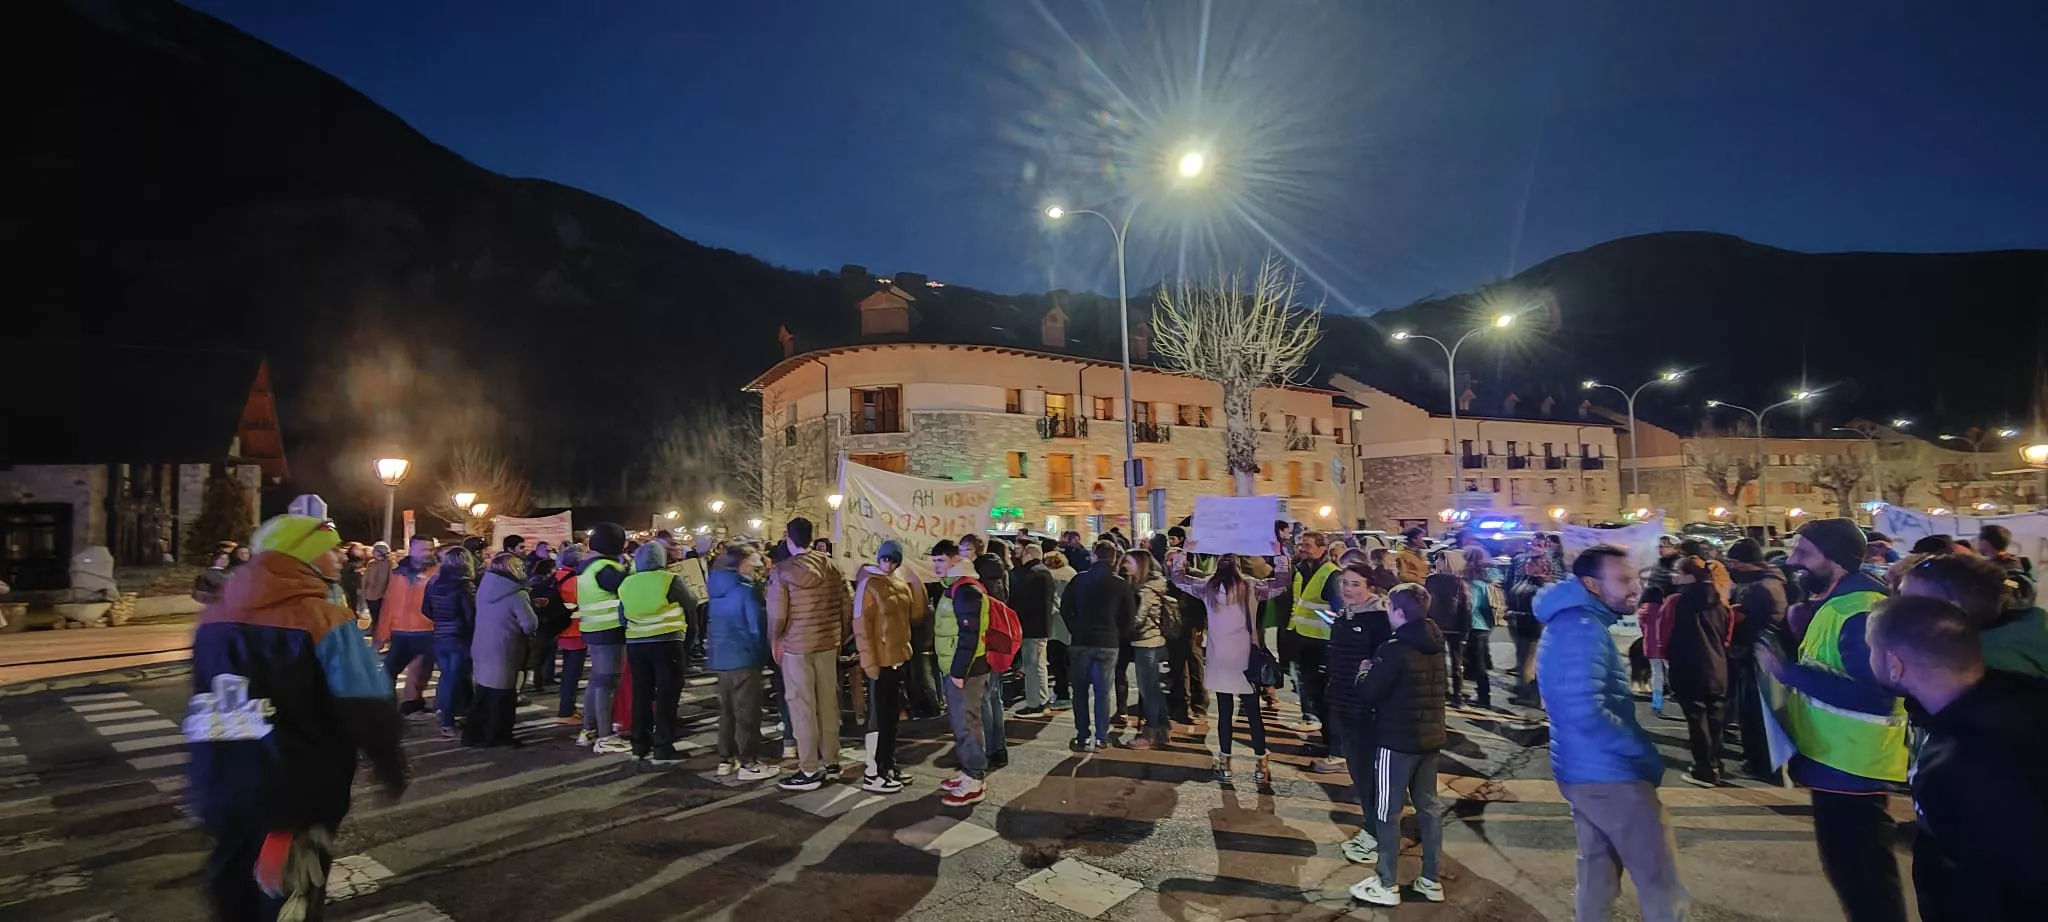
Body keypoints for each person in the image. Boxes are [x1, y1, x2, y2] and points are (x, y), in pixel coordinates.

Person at [188, 515, 407, 920]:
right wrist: (388, 761)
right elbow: (365, 702)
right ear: (301, 556)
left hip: (220, 778)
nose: (340, 557)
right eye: (330, 549)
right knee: (291, 894)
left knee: (233, 884)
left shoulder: (214, 616)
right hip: (297, 785)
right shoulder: (323, 619)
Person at [1756, 517, 1907, 922]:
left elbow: (1878, 697)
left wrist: (1787, 673)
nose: (1792, 562)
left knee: (1866, 885)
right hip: (1836, 764)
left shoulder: (1859, 612)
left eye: (1804, 553)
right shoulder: (1840, 604)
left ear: (1836, 559)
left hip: (1853, 770)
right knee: (1855, 880)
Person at [1863, 594, 2048, 922]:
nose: (1868, 658)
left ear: (1895, 664)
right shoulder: (2020, 700)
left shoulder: (1962, 762)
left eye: (1870, 649)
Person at [1536, 545, 1687, 921]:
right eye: (1622, 579)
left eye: (1635, 577)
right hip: (1610, 775)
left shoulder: (1575, 622)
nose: (1635, 587)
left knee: (1598, 871)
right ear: (1591, 584)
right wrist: (1643, 756)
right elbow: (1586, 710)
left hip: (1585, 770)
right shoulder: (1581, 629)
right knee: (1661, 885)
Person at [1346, 583, 1448, 907]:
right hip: (1429, 740)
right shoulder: (1435, 643)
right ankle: (1431, 879)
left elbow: (1369, 693)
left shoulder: (1393, 649)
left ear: (1399, 613)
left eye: (1390, 607)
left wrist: (1363, 672)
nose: (1387, 613)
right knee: (1429, 809)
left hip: (1396, 741)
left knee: (1387, 812)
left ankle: (1386, 882)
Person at [1169, 545, 1290, 783]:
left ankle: (1225, 763)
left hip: (1219, 658)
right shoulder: (1252, 587)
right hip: (1245, 659)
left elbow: (1178, 578)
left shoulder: (1207, 588)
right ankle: (1261, 765)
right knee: (1253, 713)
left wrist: (1184, 552)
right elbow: (1282, 583)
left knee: (1225, 712)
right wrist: (1280, 555)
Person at [767, 517, 854, 792]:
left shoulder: (781, 572)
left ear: (788, 538)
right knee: (828, 702)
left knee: (802, 707)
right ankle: (831, 760)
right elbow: (847, 605)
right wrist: (840, 635)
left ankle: (808, 769)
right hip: (828, 643)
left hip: (796, 646)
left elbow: (777, 614)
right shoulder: (832, 566)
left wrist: (776, 639)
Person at [1326, 564, 1392, 856]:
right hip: (1343, 703)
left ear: (1370, 587)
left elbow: (1381, 666)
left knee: (1367, 774)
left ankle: (1377, 834)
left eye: (1355, 584)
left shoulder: (1377, 620)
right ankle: (1374, 826)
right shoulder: (1345, 614)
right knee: (1357, 770)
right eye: (1345, 583)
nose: (1348, 589)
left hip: (1364, 708)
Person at [1897, 551, 2048, 677]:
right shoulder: (2023, 636)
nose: (1897, 610)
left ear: (1951, 612)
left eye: (1909, 603)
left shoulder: (1977, 672)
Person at [853, 540, 924, 792]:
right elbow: (861, 625)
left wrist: (916, 581)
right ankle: (874, 772)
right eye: (884, 559)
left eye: (892, 560)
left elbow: (916, 615)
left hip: (897, 658)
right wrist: (869, 662)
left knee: (891, 719)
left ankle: (887, 764)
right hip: (880, 662)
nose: (887, 564)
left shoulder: (899, 582)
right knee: (878, 719)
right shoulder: (869, 584)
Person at [706, 546, 777, 782]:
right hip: (744, 656)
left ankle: (725, 759)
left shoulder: (717, 589)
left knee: (727, 712)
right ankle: (749, 762)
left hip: (721, 657)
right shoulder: (745, 592)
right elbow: (757, 628)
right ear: (742, 563)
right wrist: (762, 655)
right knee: (747, 712)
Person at [622, 540, 696, 763]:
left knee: (641, 694)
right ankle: (663, 748)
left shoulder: (627, 583)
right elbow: (691, 602)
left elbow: (621, 615)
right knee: (667, 696)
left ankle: (639, 745)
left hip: (636, 643)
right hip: (667, 642)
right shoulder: (670, 579)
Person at [930, 540, 992, 807]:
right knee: (961, 722)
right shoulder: (954, 587)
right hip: (958, 667)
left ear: (955, 560)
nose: (936, 567)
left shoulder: (965, 590)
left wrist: (958, 671)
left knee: (967, 723)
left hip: (966, 669)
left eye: (941, 561)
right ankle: (969, 772)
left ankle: (974, 779)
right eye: (934, 562)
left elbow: (969, 634)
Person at [1661, 557, 1733, 786]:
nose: (1673, 576)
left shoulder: (1675, 602)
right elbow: (1727, 637)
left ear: (1689, 576)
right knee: (1715, 718)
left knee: (1696, 719)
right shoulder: (1722, 603)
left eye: (1677, 571)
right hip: (1718, 667)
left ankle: (1704, 769)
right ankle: (1715, 762)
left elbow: (1663, 634)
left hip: (1687, 667)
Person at [1062, 540, 1135, 752]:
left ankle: (1082, 734)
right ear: (1114, 558)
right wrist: (1118, 634)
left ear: (1094, 555)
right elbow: (1128, 617)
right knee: (1103, 692)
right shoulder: (1120, 584)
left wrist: (1075, 629)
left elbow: (1065, 608)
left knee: (1080, 691)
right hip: (1108, 642)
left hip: (1082, 640)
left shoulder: (1079, 580)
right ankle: (1102, 736)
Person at [1724, 538, 1788, 778]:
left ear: (1746, 563)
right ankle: (1759, 760)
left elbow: (1764, 621)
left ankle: (1760, 764)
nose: (1731, 567)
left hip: (1758, 657)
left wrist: (1736, 619)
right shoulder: (1761, 582)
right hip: (1755, 655)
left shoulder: (1762, 587)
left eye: (1734, 563)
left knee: (1756, 714)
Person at [466, 552, 537, 748]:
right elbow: (529, 623)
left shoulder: (484, 586)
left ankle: (474, 734)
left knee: (483, 692)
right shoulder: (517, 593)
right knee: (503, 695)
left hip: (482, 644)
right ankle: (497, 736)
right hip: (505, 647)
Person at [575, 523, 634, 754]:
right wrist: (630, 568)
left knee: (597, 681)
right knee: (607, 683)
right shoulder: (605, 568)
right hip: (609, 630)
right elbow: (627, 587)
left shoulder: (588, 567)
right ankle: (605, 735)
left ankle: (588, 730)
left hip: (594, 628)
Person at [1285, 531, 1343, 754]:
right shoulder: (1302, 570)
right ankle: (1327, 740)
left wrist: (1319, 619)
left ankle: (1334, 747)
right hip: (1304, 641)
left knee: (1326, 698)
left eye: (1308, 545)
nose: (1303, 548)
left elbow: (1337, 613)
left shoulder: (1331, 574)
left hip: (1323, 644)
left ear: (1322, 548)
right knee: (1313, 695)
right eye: (1301, 544)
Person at [375, 535, 439, 717]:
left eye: (430, 549)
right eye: (422, 549)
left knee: (420, 673)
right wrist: (381, 635)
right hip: (400, 632)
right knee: (388, 672)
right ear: (412, 549)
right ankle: (386, 707)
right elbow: (389, 604)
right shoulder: (398, 573)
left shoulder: (438, 573)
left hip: (427, 631)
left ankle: (412, 704)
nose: (427, 553)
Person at [422, 545, 476, 740]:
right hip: (459, 637)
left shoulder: (434, 582)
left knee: (450, 677)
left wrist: (441, 619)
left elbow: (425, 609)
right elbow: (470, 614)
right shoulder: (464, 584)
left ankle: (454, 713)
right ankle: (447, 722)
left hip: (440, 636)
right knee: (454, 679)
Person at [1121, 549, 1172, 750]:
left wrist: (1120, 626)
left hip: (1146, 642)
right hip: (1154, 639)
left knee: (1148, 689)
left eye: (1129, 562)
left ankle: (1150, 733)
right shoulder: (1156, 584)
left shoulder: (1145, 590)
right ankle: (1162, 728)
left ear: (1141, 565)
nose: (1125, 565)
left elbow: (1138, 619)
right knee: (1153, 689)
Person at [1009, 543, 1056, 717]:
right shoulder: (1043, 572)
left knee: (1032, 667)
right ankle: (1041, 700)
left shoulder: (1031, 574)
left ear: (1028, 555)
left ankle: (1035, 704)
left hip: (1031, 628)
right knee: (1038, 665)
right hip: (1041, 627)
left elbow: (1023, 602)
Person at [1460, 549, 1507, 714]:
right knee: (1479, 661)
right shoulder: (1489, 578)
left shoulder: (1473, 585)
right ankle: (1482, 693)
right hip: (1486, 624)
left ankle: (1483, 697)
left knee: (1477, 662)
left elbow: (1470, 607)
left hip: (1475, 625)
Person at [1423, 550, 1472, 706]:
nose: (1436, 562)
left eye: (1439, 560)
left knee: (1449, 661)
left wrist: (1465, 628)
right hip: (1447, 626)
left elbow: (1465, 607)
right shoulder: (1456, 582)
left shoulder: (1437, 580)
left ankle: (1450, 693)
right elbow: (1465, 607)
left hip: (1444, 625)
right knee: (1450, 661)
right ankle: (1452, 694)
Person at [1507, 554, 1553, 707]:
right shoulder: (1525, 580)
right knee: (1522, 662)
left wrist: (1515, 614)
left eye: (1530, 564)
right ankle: (1526, 692)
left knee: (1528, 665)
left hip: (1533, 630)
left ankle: (1530, 697)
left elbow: (1541, 612)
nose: (1526, 566)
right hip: (1519, 627)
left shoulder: (1543, 586)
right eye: (1526, 564)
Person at [551, 546, 587, 725]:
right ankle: (566, 711)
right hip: (575, 631)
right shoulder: (577, 582)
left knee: (567, 672)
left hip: (561, 630)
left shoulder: (556, 576)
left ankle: (568, 708)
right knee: (572, 674)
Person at [1042, 542, 1076, 711]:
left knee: (1056, 661)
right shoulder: (1071, 574)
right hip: (1070, 622)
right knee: (1068, 659)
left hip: (1055, 623)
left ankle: (1062, 693)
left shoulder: (1049, 577)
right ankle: (1066, 690)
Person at [1975, 524, 2036, 610]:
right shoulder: (1994, 564)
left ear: (1985, 543)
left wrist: (2001, 580)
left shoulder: (2009, 564)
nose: (1977, 543)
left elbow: (2017, 585)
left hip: (2007, 617)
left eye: (1979, 540)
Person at [361, 541, 393, 636]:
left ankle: (377, 630)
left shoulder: (389, 564)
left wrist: (387, 594)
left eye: (376, 551)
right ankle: (372, 627)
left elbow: (390, 580)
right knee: (373, 612)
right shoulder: (371, 563)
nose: (373, 552)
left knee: (379, 614)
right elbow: (366, 578)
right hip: (369, 593)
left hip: (381, 594)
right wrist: (364, 589)